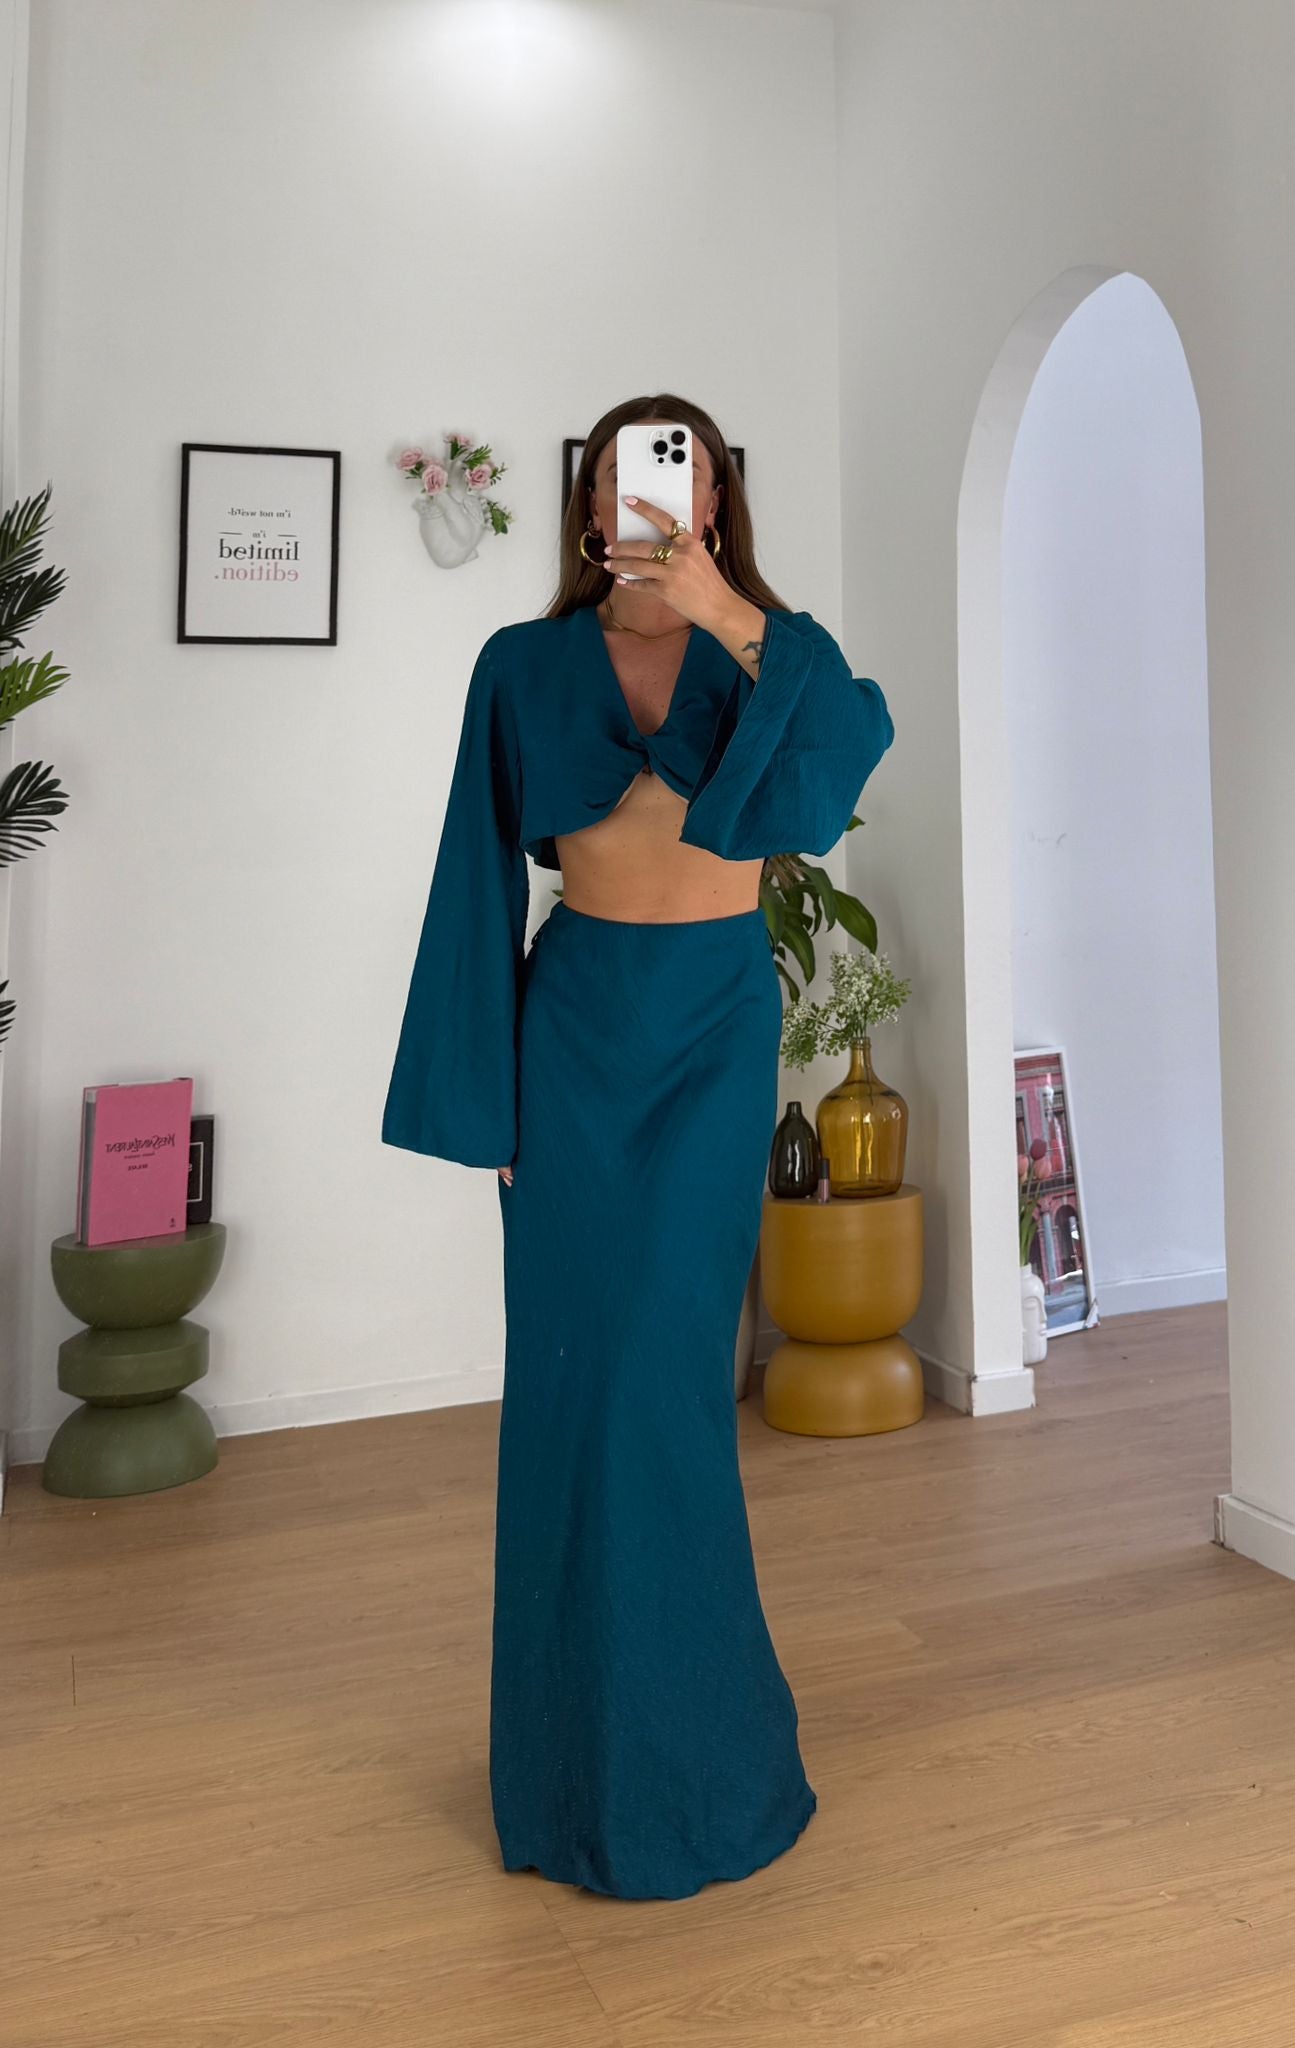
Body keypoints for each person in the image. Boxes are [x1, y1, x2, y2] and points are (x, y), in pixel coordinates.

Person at [382, 394, 895, 1900]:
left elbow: (848, 749)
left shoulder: (773, 656)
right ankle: (568, 1779)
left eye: (681, 471)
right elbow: (472, 880)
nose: (650, 492)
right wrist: (490, 1104)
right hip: (578, 1033)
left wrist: (722, 605)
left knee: (666, 1387)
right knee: (570, 1389)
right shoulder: (522, 663)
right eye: (621, 474)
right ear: (587, 504)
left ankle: (700, 1767)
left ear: (717, 498)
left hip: (715, 1032)